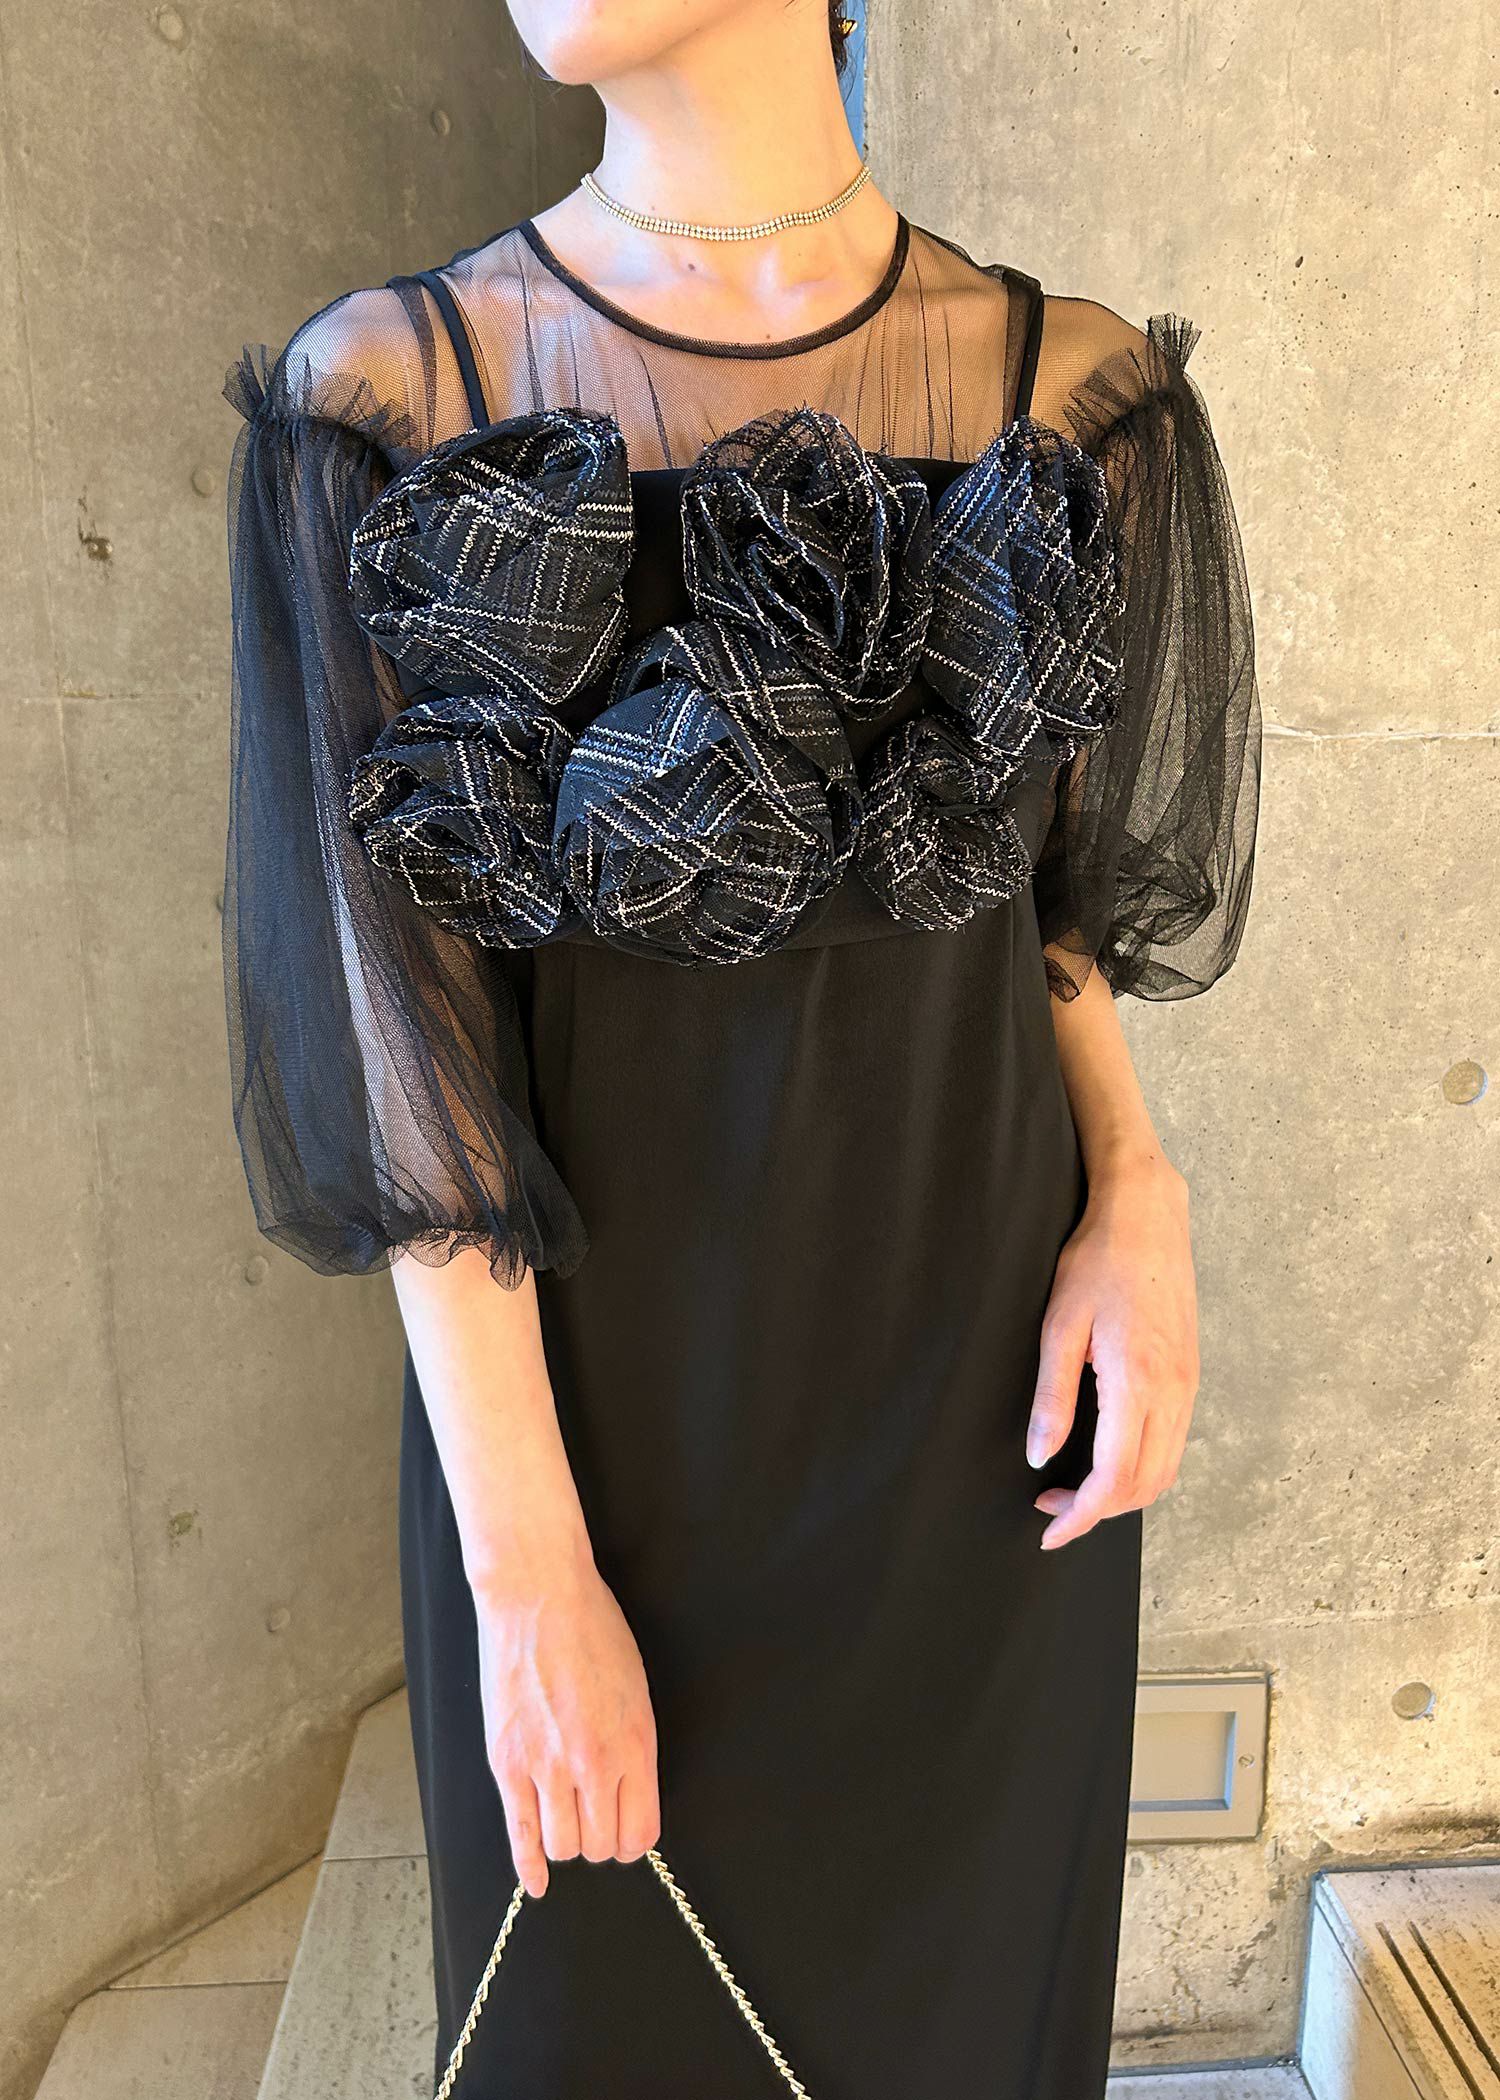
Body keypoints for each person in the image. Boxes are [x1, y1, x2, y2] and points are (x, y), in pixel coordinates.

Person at [221, 1, 1261, 2092]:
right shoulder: (388, 398)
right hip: (607, 1458)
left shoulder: (1074, 392)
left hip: (980, 1418)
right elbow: (408, 1056)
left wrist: (1140, 1194)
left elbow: (1045, 903)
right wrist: (527, 1574)